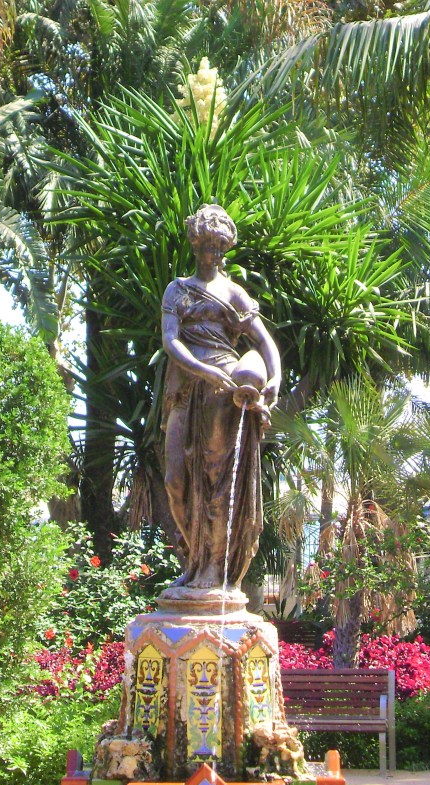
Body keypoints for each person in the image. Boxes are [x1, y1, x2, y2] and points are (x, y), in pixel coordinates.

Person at [161, 204, 281, 591]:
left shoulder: (234, 293)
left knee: (216, 480)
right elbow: (170, 340)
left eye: (219, 247)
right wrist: (202, 369)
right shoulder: (177, 289)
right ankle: (193, 557)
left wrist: (274, 377)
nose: (213, 254)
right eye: (207, 245)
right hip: (185, 389)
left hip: (224, 391)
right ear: (195, 245)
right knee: (175, 479)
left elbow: (263, 341)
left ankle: (212, 568)